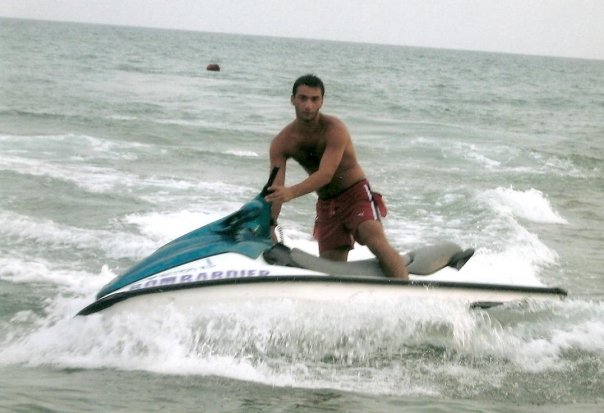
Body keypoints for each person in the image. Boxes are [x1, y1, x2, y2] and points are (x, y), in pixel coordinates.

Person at [264, 74, 408, 279]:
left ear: (322, 101)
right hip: (327, 205)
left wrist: (291, 193)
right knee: (331, 269)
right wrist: (271, 222)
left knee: (374, 240)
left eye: (314, 99)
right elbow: (276, 189)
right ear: (293, 99)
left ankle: (407, 290)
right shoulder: (282, 142)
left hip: (355, 195)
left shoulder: (334, 129)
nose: (308, 105)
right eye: (303, 98)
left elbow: (326, 174)